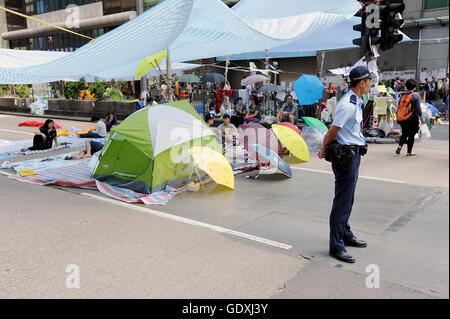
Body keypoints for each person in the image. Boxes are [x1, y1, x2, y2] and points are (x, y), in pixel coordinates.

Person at [318, 66, 374, 263]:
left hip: (354, 154)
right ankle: (336, 245)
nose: (371, 84)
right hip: (345, 156)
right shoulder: (348, 105)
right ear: (361, 83)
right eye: (369, 81)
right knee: (342, 201)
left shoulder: (357, 101)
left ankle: (346, 234)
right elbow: (333, 131)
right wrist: (323, 147)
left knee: (348, 200)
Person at [395, 79, 426, 157]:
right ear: (415, 87)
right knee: (411, 135)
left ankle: (400, 146)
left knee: (404, 133)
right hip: (412, 118)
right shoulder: (416, 96)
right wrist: (422, 118)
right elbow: (418, 109)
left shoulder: (402, 95)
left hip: (403, 118)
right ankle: (409, 152)